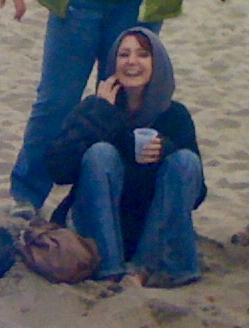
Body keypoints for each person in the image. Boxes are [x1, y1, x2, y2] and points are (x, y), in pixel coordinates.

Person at [45, 27, 207, 288]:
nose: (132, 62)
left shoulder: (174, 115)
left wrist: (169, 151)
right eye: (123, 54)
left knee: (186, 160)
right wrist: (100, 114)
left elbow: (197, 195)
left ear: (158, 64)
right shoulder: (95, 106)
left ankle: (141, 269)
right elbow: (58, 170)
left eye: (143, 54)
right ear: (113, 63)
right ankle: (109, 270)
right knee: (101, 154)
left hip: (150, 228)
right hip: (98, 224)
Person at [10, 0, 163, 219]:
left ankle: (108, 195)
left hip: (136, 6)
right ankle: (28, 192)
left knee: (122, 97)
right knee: (56, 102)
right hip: (77, 4)